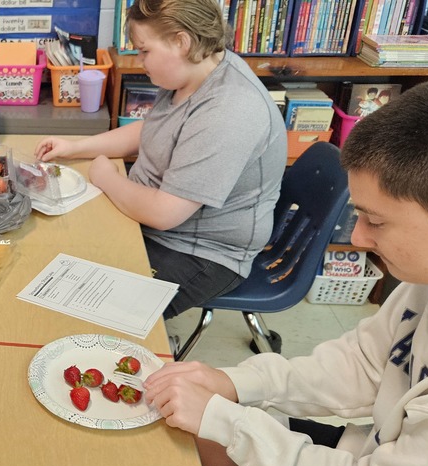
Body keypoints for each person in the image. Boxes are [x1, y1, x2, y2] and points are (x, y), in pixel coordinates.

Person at [144, 78, 428, 466]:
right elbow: (362, 363)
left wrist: (225, 421)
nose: (358, 237)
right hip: (367, 448)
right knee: (189, 431)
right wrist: (236, 384)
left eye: (376, 221)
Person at [35, 0, 286, 319]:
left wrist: (106, 177)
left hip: (200, 254)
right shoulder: (195, 71)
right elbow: (154, 129)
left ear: (181, 42)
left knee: (86, 309)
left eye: (145, 50)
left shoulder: (229, 111)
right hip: (157, 225)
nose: (140, 61)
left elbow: (164, 212)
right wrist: (75, 147)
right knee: (55, 253)